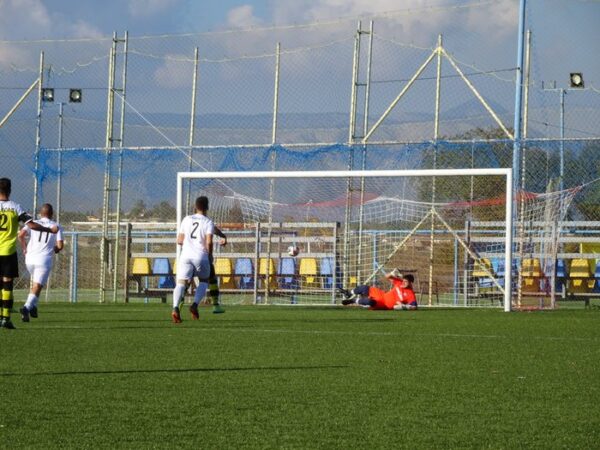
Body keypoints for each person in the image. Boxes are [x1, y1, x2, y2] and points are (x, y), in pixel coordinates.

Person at [0, 178, 58, 329]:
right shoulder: (15, 207)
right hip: (7, 251)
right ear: (10, 190)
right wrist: (48, 229)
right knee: (7, 284)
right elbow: (31, 225)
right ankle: (5, 319)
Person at [18, 203, 64, 322]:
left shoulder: (32, 223)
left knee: (37, 285)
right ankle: (26, 308)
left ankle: (33, 307)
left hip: (29, 258)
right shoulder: (56, 225)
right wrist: (55, 249)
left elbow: (21, 235)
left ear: (40, 213)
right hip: (43, 259)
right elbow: (60, 245)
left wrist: (24, 248)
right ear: (52, 214)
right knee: (37, 285)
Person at [172, 196, 214, 323]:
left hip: (185, 256)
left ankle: (175, 308)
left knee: (181, 283)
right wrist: (210, 254)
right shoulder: (208, 222)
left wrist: (189, 244)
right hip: (201, 256)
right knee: (204, 281)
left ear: (195, 207)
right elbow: (209, 242)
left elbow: (179, 240)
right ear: (207, 207)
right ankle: (195, 305)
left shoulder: (186, 219)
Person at [339, 269, 417, 310]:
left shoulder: (410, 294)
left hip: (384, 304)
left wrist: (404, 307)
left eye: (406, 282)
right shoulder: (399, 282)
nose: (403, 283)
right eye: (403, 281)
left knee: (369, 301)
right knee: (364, 288)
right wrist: (392, 273)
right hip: (382, 294)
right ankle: (349, 293)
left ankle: (353, 301)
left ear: (410, 283)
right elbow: (387, 276)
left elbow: (414, 307)